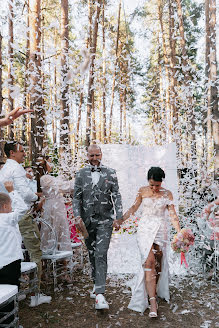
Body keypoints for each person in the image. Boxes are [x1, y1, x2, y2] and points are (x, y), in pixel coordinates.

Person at [122, 167, 180, 317]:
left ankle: (153, 290)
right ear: (148, 181)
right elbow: (134, 208)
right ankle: (152, 303)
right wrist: (121, 220)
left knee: (159, 262)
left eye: (157, 185)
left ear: (162, 182)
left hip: (161, 229)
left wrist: (180, 232)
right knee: (149, 262)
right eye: (152, 184)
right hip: (144, 229)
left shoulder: (167, 194)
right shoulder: (142, 191)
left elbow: (172, 214)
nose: (154, 188)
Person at [0, 141, 51, 307]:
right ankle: (35, 294)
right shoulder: (16, 168)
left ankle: (18, 290)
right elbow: (24, 193)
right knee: (35, 250)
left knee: (16, 252)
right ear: (12, 153)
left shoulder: (5, 169)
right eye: (21, 151)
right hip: (21, 215)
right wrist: (37, 197)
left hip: (8, 214)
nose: (24, 154)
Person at [73, 144, 123, 310]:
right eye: (91, 156)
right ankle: (96, 283)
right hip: (86, 222)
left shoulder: (111, 172)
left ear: (101, 154)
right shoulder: (80, 174)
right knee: (92, 252)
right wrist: (77, 216)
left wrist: (119, 217)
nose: (94, 158)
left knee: (101, 253)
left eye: (97, 155)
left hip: (105, 220)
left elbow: (116, 195)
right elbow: (76, 198)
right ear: (87, 156)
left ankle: (100, 293)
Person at [0, 184, 28, 325]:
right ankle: (10, 321)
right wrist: (12, 192)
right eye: (10, 205)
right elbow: (23, 208)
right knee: (10, 293)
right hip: (10, 262)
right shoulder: (7, 218)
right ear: (5, 207)